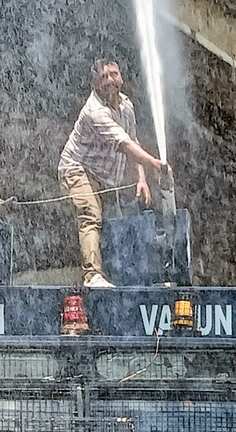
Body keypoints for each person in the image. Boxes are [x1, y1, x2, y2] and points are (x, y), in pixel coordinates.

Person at [58, 59, 171, 288]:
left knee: (116, 222)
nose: (109, 80)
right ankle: (92, 276)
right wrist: (155, 164)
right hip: (78, 169)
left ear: (121, 78)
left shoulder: (126, 106)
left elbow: (132, 140)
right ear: (94, 83)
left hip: (106, 177)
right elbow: (125, 146)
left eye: (113, 74)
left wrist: (141, 179)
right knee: (91, 215)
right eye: (103, 77)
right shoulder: (95, 112)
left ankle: (127, 275)